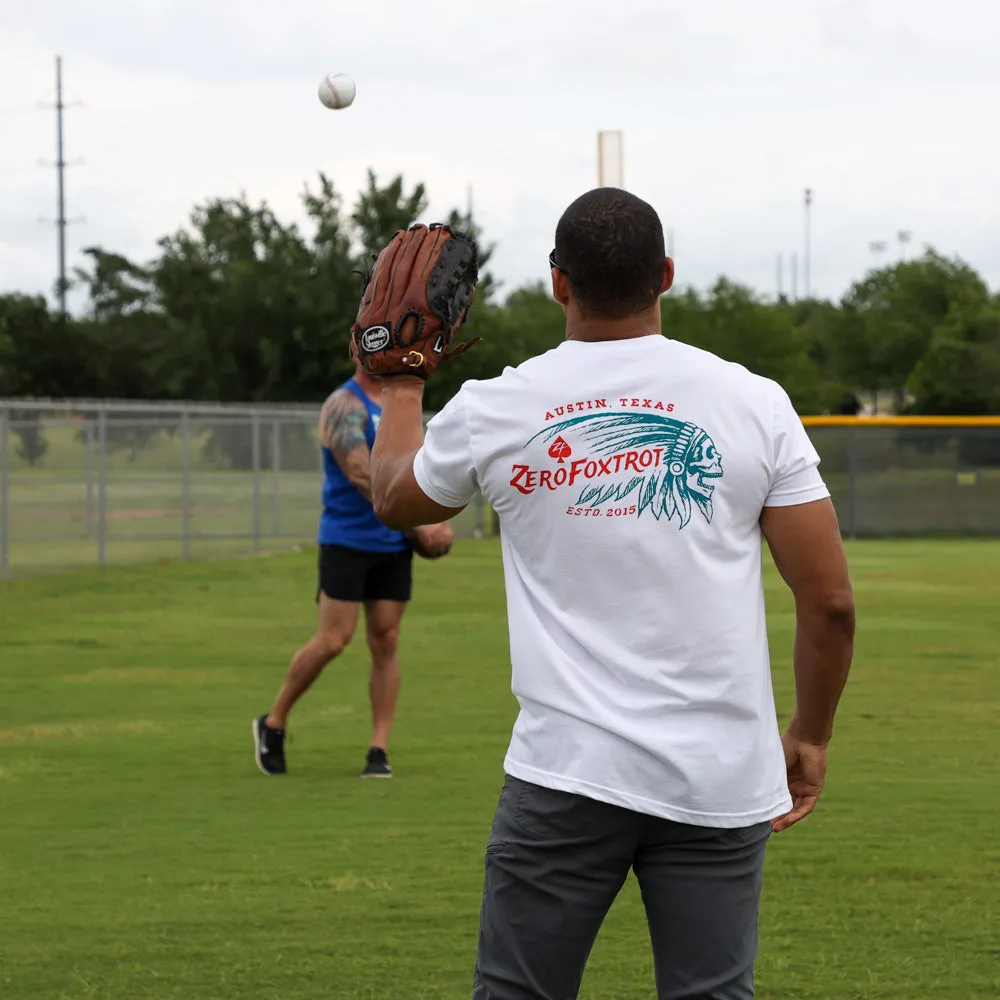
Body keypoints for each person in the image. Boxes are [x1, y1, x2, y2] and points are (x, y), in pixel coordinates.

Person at [366, 188, 856, 998]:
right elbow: (830, 602)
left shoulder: (499, 405)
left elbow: (395, 497)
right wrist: (811, 732)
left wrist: (403, 382)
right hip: (719, 773)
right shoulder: (753, 401)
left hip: (566, 772)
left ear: (559, 284)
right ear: (665, 275)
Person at [252, 361, 452, 779]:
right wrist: (420, 523)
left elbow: (421, 468)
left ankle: (378, 749)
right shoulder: (344, 404)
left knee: (387, 639)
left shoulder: (402, 406)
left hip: (393, 542)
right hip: (347, 540)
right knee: (333, 639)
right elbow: (364, 475)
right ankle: (273, 722)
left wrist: (437, 517)